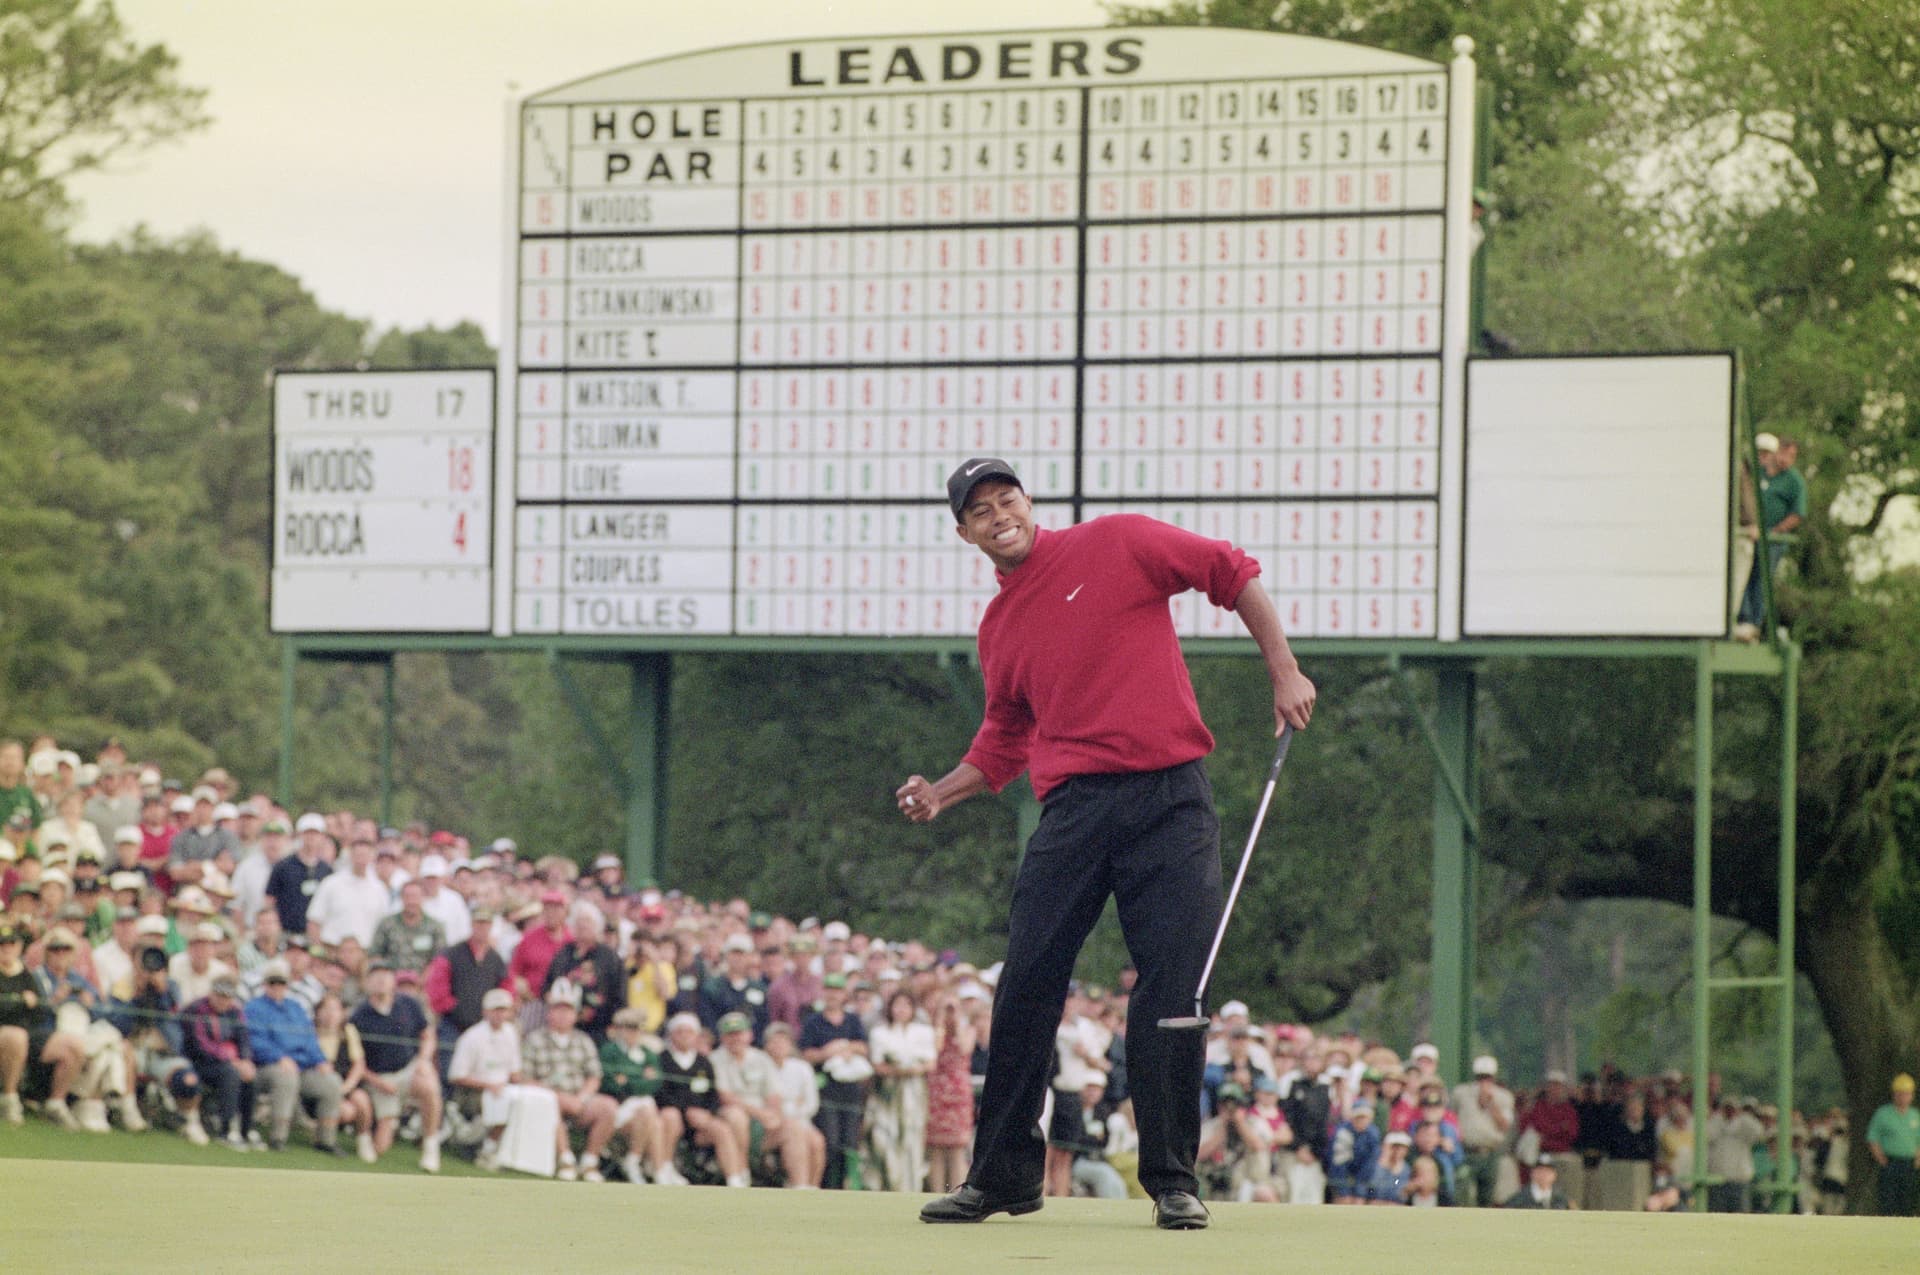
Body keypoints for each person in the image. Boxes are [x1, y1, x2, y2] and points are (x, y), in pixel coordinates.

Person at [901, 458, 1315, 1231]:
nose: (999, 515)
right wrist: (941, 792)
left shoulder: (1118, 541)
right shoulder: (999, 627)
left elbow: (1231, 571)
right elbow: (1004, 738)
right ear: (965, 534)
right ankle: (1002, 1178)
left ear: (1029, 501)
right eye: (980, 511)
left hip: (1171, 797)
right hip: (1074, 810)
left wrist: (1283, 669)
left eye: (1007, 498)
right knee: (1025, 979)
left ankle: (1171, 1179)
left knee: (1170, 986)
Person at [347, 960, 442, 1172]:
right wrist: (378, 1083)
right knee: (381, 1147)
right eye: (376, 975)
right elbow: (356, 1061)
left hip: (408, 1071)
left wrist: (424, 1061)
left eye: (386, 975)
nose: (381, 980)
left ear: (393, 981)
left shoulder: (409, 1004)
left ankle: (430, 1147)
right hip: (379, 1080)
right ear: (367, 982)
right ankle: (390, 1122)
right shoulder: (358, 1016)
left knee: (428, 1086)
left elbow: (427, 1035)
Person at [522, 978, 617, 1182]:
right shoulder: (535, 1039)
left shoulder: (583, 1040)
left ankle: (590, 1161)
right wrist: (557, 1096)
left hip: (579, 1099)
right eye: (558, 1009)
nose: (563, 1014)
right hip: (548, 1098)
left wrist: (581, 1098)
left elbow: (594, 1076)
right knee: (550, 1104)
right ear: (549, 1013)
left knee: (608, 1107)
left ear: (575, 1014)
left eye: (568, 1010)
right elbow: (525, 1078)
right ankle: (565, 1159)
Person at [244, 959, 344, 1153]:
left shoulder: (296, 1008)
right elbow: (255, 1040)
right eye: (272, 982)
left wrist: (320, 1060)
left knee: (332, 1081)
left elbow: (310, 1039)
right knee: (286, 1078)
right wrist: (278, 1057)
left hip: (302, 1066)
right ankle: (278, 1137)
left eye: (281, 983)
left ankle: (326, 1140)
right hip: (268, 1066)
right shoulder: (254, 1008)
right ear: (265, 984)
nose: (277, 987)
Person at [656, 1010, 749, 1187]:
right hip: (673, 1116)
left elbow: (712, 1094)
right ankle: (664, 1169)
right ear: (671, 1034)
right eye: (679, 1031)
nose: (684, 1036)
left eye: (689, 1032)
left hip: (699, 1122)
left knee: (721, 1129)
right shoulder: (663, 1059)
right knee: (671, 1116)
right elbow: (661, 1092)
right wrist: (686, 1111)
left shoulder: (703, 1062)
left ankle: (735, 1178)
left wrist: (707, 1113)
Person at [800, 971, 871, 1190]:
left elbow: (863, 1047)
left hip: (850, 1090)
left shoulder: (852, 1020)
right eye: (829, 989)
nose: (833, 995)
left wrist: (846, 1047)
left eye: (837, 990)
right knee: (830, 1141)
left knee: (849, 1143)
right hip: (826, 1088)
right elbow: (806, 1054)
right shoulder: (814, 1021)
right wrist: (827, 1053)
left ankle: (846, 1187)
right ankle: (827, 1186)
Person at [1737, 433, 1807, 639]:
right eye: (1785, 454)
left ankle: (1754, 623)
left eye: (1792, 457)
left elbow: (1798, 514)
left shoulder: (1794, 481)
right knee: (1743, 574)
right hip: (1750, 534)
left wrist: (1774, 532)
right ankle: (1741, 618)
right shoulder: (1758, 473)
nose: (1787, 460)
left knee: (1762, 579)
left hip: (1773, 540)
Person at [447, 987, 521, 1170]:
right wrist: (489, 1085)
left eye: (503, 1010)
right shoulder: (472, 1037)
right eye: (496, 1009)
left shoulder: (511, 1033)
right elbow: (456, 1075)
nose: (500, 1014)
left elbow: (515, 1071)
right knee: (503, 1101)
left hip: (503, 1088)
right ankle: (487, 1151)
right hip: (472, 1093)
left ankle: (512, 1155)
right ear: (485, 1011)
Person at [598, 1006, 666, 1185]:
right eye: (627, 1027)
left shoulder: (648, 1053)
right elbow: (611, 1084)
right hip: (616, 1108)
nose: (632, 1032)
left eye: (636, 1028)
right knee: (650, 1114)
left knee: (652, 1118)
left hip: (640, 1111)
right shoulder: (609, 1051)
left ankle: (641, 1163)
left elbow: (654, 1084)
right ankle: (654, 1167)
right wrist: (639, 1080)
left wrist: (628, 1080)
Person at [763, 1022, 826, 1188]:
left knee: (817, 1141)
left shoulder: (802, 1068)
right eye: (774, 1041)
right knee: (795, 1133)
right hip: (773, 1123)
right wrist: (790, 1107)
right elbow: (766, 1102)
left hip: (802, 1119)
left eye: (783, 1042)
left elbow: (811, 1103)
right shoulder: (762, 1066)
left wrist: (790, 1110)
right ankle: (798, 1184)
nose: (779, 1046)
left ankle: (812, 1187)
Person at [925, 991, 977, 1194]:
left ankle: (956, 1193)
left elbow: (964, 1048)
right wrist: (939, 1024)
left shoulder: (968, 1029)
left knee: (957, 1149)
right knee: (936, 1149)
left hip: (958, 1091)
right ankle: (939, 1193)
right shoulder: (931, 1031)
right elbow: (935, 1050)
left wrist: (956, 1023)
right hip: (936, 1090)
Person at [1452, 1054, 1515, 1206]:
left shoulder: (1504, 1096)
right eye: (1481, 1077)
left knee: (1487, 1196)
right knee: (1463, 1193)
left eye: (1487, 1077)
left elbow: (1505, 1125)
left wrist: (1491, 1103)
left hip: (1490, 1152)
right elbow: (1452, 1116)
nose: (1484, 1081)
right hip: (1467, 1151)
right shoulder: (1462, 1093)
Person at [1866, 1072, 1920, 1217]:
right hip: (1890, 1162)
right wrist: (1881, 1158)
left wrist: (1918, 1159)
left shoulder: (1915, 1116)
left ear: (1912, 1095)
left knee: (1908, 1202)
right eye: (1900, 1094)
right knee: (1887, 1200)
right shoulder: (1883, 1114)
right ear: (1894, 1095)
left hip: (1909, 1164)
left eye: (1906, 1094)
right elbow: (1873, 1138)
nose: (1903, 1097)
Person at [1504, 1155, 1571, 1209]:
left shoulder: (1562, 1200)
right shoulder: (1518, 1200)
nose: (1543, 1175)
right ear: (1532, 1173)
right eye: (1540, 1170)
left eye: (1548, 1171)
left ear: (1554, 1175)